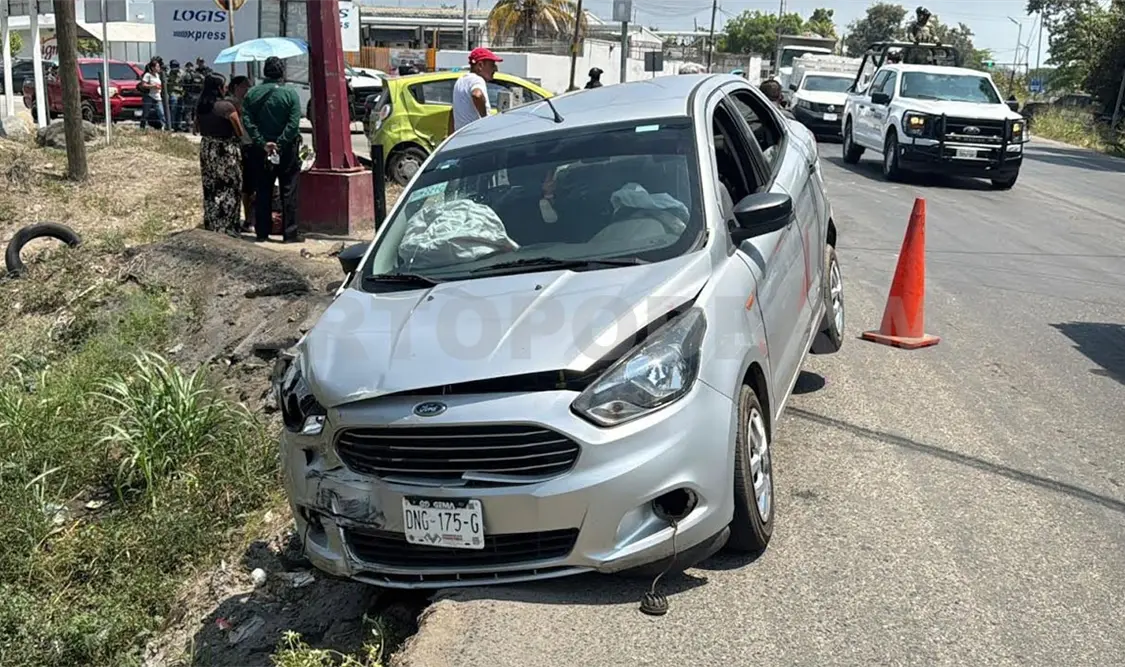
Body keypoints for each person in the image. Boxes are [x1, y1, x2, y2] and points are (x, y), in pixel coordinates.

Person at [241, 56, 303, 243]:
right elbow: (293, 123)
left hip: (260, 150)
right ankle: (290, 233)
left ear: (264, 72)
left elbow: (247, 121)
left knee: (263, 190)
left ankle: (262, 232)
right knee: (288, 190)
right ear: (282, 72)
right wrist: (280, 143)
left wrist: (262, 143)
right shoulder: (290, 94)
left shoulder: (252, 94)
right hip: (287, 150)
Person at [194, 73, 246, 237]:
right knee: (230, 187)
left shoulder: (201, 107)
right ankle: (228, 226)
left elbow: (196, 129)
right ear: (219, 88)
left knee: (211, 187)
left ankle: (213, 224)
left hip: (207, 148)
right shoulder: (226, 107)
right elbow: (239, 131)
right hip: (225, 149)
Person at [449, 47, 502, 135]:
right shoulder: (477, 79)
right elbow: (477, 95)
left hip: (461, 136)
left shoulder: (461, 80)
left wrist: (450, 136)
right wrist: (485, 119)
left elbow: (453, 112)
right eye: (492, 65)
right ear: (480, 65)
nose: (496, 69)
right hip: (475, 135)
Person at [230, 75, 256, 229]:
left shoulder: (250, 103)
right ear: (236, 87)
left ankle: (249, 218)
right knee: (241, 186)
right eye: (245, 86)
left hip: (250, 145)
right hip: (237, 146)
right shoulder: (230, 104)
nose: (248, 89)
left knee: (249, 186)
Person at [140, 59, 166, 131]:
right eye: (157, 66)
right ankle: (142, 127)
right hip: (149, 96)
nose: (159, 68)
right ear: (152, 68)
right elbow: (143, 85)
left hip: (157, 96)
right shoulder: (147, 75)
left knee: (161, 113)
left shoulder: (158, 75)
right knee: (145, 113)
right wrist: (153, 86)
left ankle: (164, 127)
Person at [182, 62, 204, 133]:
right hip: (197, 95)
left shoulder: (185, 74)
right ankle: (198, 127)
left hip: (189, 95)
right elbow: (203, 81)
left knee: (188, 111)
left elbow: (182, 83)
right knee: (196, 112)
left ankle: (189, 127)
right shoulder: (198, 74)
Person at [167, 60, 184, 132]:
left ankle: (179, 125)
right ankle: (172, 125)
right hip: (173, 92)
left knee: (180, 110)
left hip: (181, 93)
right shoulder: (168, 73)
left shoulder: (182, 73)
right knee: (173, 109)